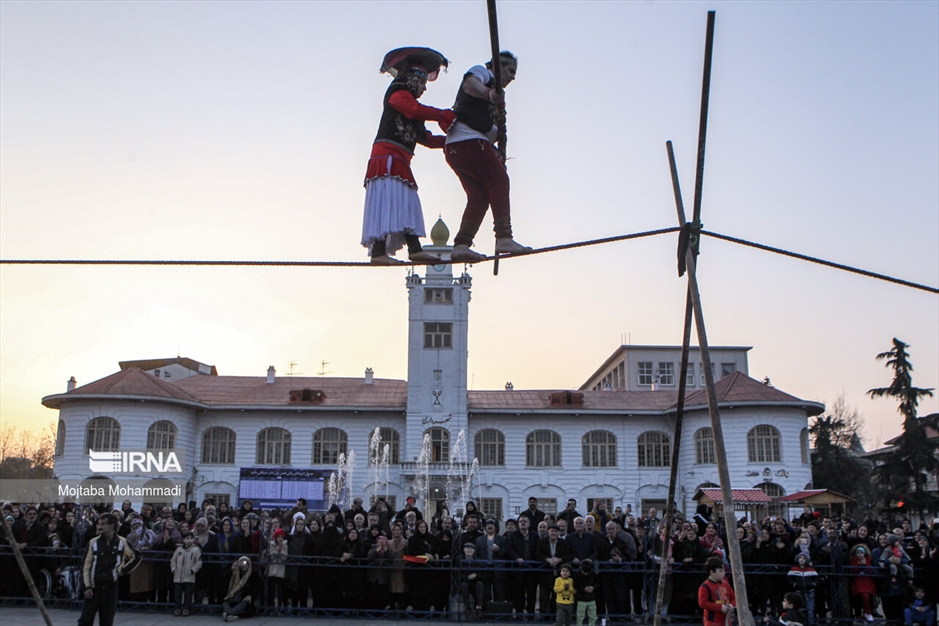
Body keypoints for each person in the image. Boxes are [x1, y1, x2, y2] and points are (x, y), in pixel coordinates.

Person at [363, 48, 455, 265]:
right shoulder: (397, 92)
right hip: (387, 156)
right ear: (414, 78)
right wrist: (441, 114)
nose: (424, 88)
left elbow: (426, 138)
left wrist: (454, 140)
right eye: (423, 83)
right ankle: (405, 249)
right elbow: (413, 109)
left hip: (398, 159)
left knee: (401, 203)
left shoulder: (412, 106)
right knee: (396, 202)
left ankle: (397, 251)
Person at [445, 50, 531, 262]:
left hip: (457, 149)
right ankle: (504, 237)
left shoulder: (495, 101)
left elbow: (489, 131)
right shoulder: (483, 73)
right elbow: (470, 85)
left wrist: (498, 150)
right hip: (469, 143)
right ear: (498, 67)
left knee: (480, 196)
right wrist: (489, 95)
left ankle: (461, 245)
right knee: (499, 181)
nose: (513, 76)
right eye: (510, 70)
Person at [77, 513, 141, 626]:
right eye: (98, 524)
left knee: (107, 621)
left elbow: (137, 556)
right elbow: (85, 566)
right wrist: (86, 587)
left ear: (112, 526)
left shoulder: (122, 542)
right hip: (93, 588)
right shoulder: (93, 542)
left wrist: (123, 570)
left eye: (103, 524)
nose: (99, 527)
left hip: (110, 588)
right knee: (85, 620)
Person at [171, 532, 202, 616]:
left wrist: (192, 570)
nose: (189, 540)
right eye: (187, 538)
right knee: (178, 594)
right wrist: (174, 569)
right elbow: (173, 560)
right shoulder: (179, 550)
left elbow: (198, 562)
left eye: (191, 538)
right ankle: (177, 608)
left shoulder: (195, 550)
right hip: (178, 576)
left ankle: (186, 608)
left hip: (189, 576)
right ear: (183, 540)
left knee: (188, 594)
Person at [698, 557, 736, 626]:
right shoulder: (705, 586)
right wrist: (720, 607)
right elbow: (703, 603)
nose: (724, 573)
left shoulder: (726, 584)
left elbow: (734, 598)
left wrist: (731, 605)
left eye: (724, 570)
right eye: (720, 571)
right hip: (712, 622)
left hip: (726, 621)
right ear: (712, 572)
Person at [221, 556, 259, 622]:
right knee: (225, 603)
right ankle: (231, 615)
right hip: (234, 597)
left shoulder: (253, 575)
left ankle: (228, 614)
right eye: (241, 563)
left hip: (244, 598)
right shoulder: (235, 573)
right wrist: (232, 569)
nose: (243, 566)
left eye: (245, 564)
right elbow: (225, 580)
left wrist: (250, 596)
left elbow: (257, 588)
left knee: (244, 602)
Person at [572, 559, 598, 626]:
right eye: (584, 572)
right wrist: (583, 588)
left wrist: (593, 587)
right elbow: (575, 585)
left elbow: (598, 583)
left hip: (591, 598)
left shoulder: (593, 574)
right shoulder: (577, 575)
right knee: (580, 617)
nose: (586, 574)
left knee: (592, 616)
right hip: (581, 599)